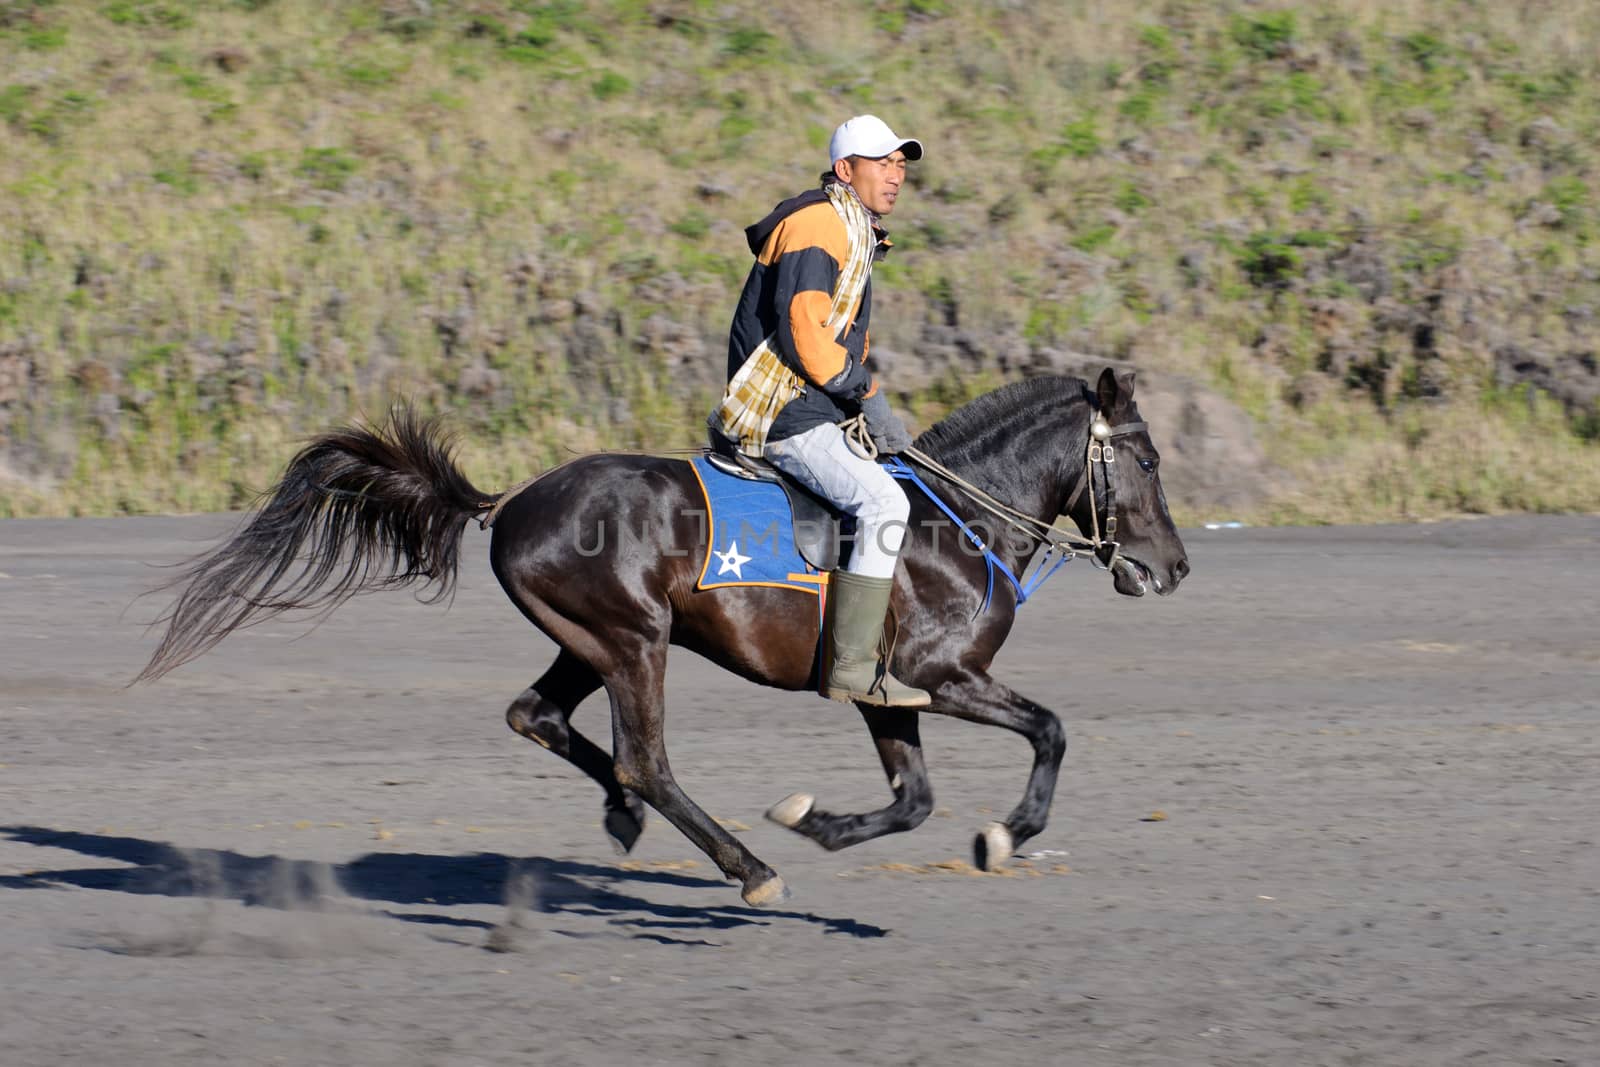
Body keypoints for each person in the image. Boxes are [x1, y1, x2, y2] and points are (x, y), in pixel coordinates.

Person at [709, 114, 929, 708]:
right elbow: (806, 337)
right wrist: (866, 393)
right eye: (883, 163)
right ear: (845, 170)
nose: (897, 175)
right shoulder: (819, 225)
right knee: (886, 501)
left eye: (902, 164)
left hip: (813, 402)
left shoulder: (851, 230)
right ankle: (854, 669)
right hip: (786, 411)